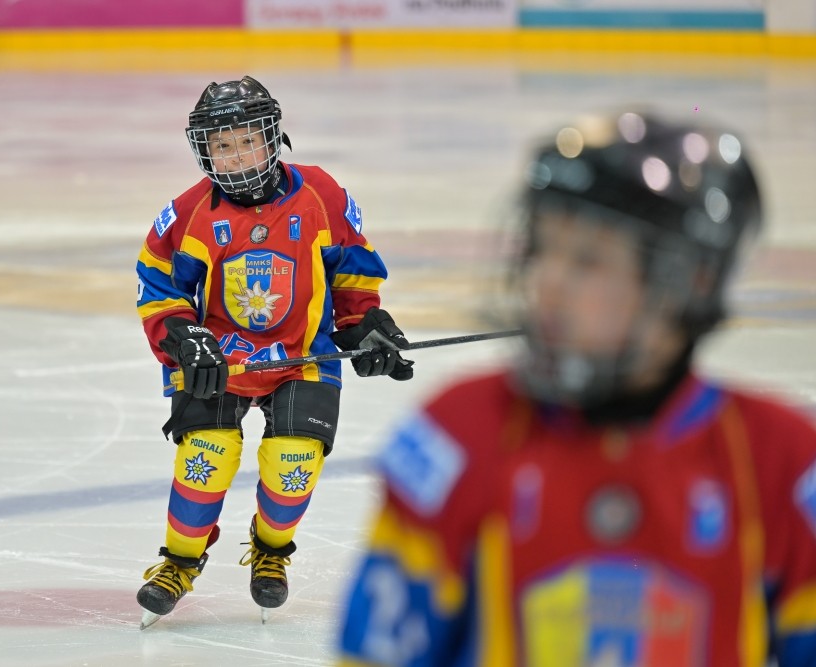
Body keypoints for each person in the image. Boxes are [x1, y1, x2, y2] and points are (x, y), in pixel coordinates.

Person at [337, 112, 816, 665]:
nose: (549, 282)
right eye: (544, 249)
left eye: (588, 261)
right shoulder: (456, 439)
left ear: (688, 281)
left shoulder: (779, 463)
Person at [135, 75, 413, 622]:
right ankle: (180, 561)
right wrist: (184, 338)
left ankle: (270, 552)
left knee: (294, 462)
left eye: (247, 141)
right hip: (221, 362)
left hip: (302, 357)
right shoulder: (188, 214)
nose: (237, 156)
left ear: (272, 137)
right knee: (205, 458)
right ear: (203, 151)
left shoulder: (321, 195)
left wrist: (363, 325)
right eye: (222, 145)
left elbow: (352, 270)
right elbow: (158, 285)